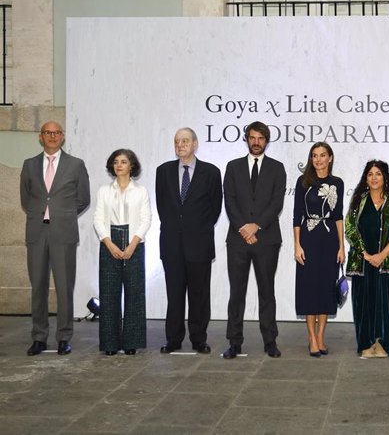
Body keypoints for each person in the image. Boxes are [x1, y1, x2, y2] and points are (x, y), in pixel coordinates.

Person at [21, 121, 90, 356]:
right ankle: (39, 337)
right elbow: (26, 198)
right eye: (48, 132)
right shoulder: (29, 165)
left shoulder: (76, 165)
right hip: (37, 233)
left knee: (64, 287)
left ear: (63, 137)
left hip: (63, 233)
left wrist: (64, 214)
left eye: (56, 132)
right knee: (38, 286)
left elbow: (83, 198)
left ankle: (64, 337)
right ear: (41, 137)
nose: (52, 136)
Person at [156, 127, 222, 354]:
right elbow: (162, 206)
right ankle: (173, 340)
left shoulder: (211, 172)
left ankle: (198, 339)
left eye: (185, 141)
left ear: (195, 144)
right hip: (172, 245)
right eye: (177, 141)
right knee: (174, 295)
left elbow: (215, 208)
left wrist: (198, 229)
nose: (180, 145)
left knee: (199, 295)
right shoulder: (163, 171)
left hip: (200, 244)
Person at [223, 121, 287, 359]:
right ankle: (234, 343)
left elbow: (276, 203)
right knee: (236, 293)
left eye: (260, 138)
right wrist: (243, 228)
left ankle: (270, 341)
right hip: (238, 240)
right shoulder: (232, 167)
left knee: (266, 291)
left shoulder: (277, 168)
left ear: (266, 141)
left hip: (267, 239)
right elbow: (229, 201)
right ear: (246, 139)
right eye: (252, 137)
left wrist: (255, 226)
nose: (256, 142)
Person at [345, 160, 389, 358]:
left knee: (384, 305)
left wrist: (381, 255)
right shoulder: (358, 201)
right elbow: (350, 228)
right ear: (366, 178)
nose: (374, 177)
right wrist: (366, 254)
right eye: (370, 174)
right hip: (363, 263)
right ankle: (365, 344)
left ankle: (382, 344)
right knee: (363, 305)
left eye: (378, 174)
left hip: (387, 263)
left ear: (385, 177)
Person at [93, 149, 152, 356]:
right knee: (109, 294)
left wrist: (133, 244)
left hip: (134, 242)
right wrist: (108, 243)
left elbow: (146, 220)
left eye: (124, 162)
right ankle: (110, 343)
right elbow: (98, 219)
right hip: (109, 241)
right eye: (116, 162)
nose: (119, 165)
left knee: (135, 294)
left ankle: (131, 343)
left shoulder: (141, 191)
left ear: (132, 166)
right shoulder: (103, 191)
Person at [293, 142, 345, 357]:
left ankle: (321, 336)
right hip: (308, 239)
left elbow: (339, 216)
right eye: (314, 155)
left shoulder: (337, 183)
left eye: (323, 155)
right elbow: (297, 215)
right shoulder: (303, 182)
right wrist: (297, 244)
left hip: (330, 240)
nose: (318, 159)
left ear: (330, 158)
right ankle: (312, 339)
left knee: (325, 290)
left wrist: (342, 246)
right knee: (309, 289)